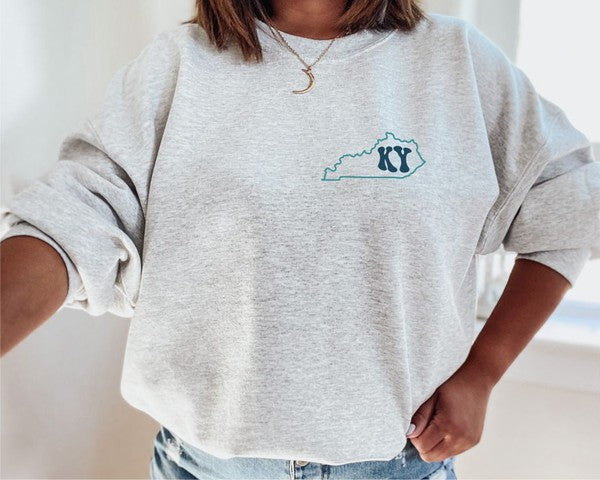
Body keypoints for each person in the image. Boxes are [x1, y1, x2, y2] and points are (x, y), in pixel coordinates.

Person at [1, 0, 599, 479]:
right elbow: (71, 219)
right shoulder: (176, 66)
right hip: (201, 467)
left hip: (397, 464)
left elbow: (569, 198)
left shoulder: (458, 63)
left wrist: (483, 370)